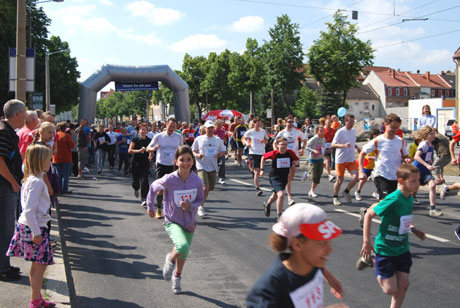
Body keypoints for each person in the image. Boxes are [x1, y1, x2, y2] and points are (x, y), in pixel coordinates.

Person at [247, 203, 347, 308]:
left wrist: (328, 275)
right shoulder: (270, 290)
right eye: (322, 243)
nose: (330, 249)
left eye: (329, 241)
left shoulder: (311, 263)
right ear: (298, 245)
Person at [360, 164, 426, 308]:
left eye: (418, 180)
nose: (418, 184)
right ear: (401, 182)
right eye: (413, 181)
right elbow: (369, 215)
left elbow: (402, 220)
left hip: (402, 249)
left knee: (404, 284)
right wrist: (366, 241)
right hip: (385, 249)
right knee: (390, 289)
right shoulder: (394, 199)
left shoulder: (408, 198)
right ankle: (373, 261)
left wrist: (415, 230)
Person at [146, 146, 204, 294]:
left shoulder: (196, 181)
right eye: (182, 160)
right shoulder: (170, 179)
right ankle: (170, 260)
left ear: (192, 161)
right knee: (182, 246)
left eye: (188, 160)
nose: (185, 163)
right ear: (176, 162)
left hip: (190, 222)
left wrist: (190, 206)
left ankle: (177, 277)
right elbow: (153, 187)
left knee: (183, 252)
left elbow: (200, 201)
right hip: (173, 220)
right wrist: (150, 206)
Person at [6, 144, 56, 308]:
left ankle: (37, 298)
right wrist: (36, 232)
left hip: (33, 225)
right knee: (39, 267)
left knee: (37, 266)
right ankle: (35, 301)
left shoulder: (32, 179)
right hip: (34, 227)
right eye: (49, 159)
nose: (50, 162)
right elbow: (28, 210)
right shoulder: (36, 182)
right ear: (41, 161)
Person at [358, 114, 410, 226]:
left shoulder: (400, 141)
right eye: (392, 127)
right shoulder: (378, 140)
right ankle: (385, 229)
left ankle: (366, 212)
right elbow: (362, 153)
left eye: (397, 128)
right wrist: (361, 171)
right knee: (385, 202)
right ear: (386, 125)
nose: (394, 130)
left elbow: (405, 156)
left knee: (387, 203)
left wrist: (407, 160)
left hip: (395, 177)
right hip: (381, 175)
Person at [0, 99, 25, 281]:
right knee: (5, 228)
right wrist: (13, 182)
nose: (25, 116)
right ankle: (2, 267)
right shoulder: (3, 133)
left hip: (6, 185)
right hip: (4, 186)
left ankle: (4, 264)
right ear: (18, 114)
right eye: (24, 113)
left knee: (6, 228)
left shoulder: (7, 131)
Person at [147, 118, 184, 218]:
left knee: (174, 188)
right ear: (166, 124)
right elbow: (148, 148)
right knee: (161, 189)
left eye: (174, 126)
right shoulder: (159, 136)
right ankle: (159, 209)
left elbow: (182, 149)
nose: (172, 128)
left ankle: (172, 210)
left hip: (173, 165)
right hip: (161, 164)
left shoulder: (179, 136)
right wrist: (153, 149)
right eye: (170, 125)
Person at [192, 120, 226, 217]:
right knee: (205, 187)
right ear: (205, 129)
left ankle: (199, 199)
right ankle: (200, 206)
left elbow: (224, 150)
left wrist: (220, 154)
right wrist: (197, 155)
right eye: (208, 128)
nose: (210, 130)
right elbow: (193, 150)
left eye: (212, 128)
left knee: (209, 189)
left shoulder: (217, 140)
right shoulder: (199, 139)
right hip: (201, 165)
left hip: (212, 166)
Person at [260, 137, 299, 219]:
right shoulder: (274, 153)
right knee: (281, 195)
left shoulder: (290, 153)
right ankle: (279, 216)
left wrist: (295, 163)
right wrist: (262, 170)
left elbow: (296, 161)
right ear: (277, 145)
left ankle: (267, 204)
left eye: (286, 144)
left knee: (275, 195)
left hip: (284, 177)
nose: (284, 146)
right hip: (275, 177)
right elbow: (263, 157)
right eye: (282, 145)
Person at [411, 126, 443, 216]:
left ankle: (432, 209)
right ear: (426, 135)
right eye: (431, 134)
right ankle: (409, 199)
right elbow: (416, 157)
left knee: (432, 185)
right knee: (413, 187)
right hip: (417, 169)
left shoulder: (431, 146)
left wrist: (431, 163)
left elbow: (427, 158)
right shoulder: (423, 144)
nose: (434, 136)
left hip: (425, 170)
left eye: (434, 134)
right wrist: (427, 165)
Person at [276, 116, 307, 206]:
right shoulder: (282, 132)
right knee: (288, 177)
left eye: (292, 122)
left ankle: (284, 185)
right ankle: (290, 197)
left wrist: (302, 149)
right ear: (285, 122)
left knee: (291, 176)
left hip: (295, 156)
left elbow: (304, 140)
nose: (291, 123)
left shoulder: (297, 131)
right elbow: (275, 143)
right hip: (285, 156)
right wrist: (277, 152)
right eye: (289, 122)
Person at [331, 114, 361, 206]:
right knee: (340, 180)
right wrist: (343, 146)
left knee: (355, 177)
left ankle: (346, 191)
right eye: (350, 121)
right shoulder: (340, 132)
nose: (351, 123)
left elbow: (352, 142)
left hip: (351, 158)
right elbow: (333, 144)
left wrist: (357, 147)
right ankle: (335, 197)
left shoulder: (354, 131)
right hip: (341, 159)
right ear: (345, 121)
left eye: (353, 121)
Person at [128, 123, 152, 207]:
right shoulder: (135, 139)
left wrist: (151, 155)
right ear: (139, 131)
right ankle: (136, 188)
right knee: (136, 181)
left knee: (145, 180)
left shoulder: (149, 140)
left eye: (145, 129)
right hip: (135, 162)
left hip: (145, 162)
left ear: (147, 131)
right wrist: (139, 151)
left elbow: (151, 151)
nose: (143, 131)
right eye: (142, 129)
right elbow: (130, 150)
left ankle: (144, 199)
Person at [244, 118, 269, 196]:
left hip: (261, 153)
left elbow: (267, 141)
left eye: (260, 124)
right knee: (257, 171)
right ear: (254, 124)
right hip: (253, 152)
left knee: (258, 171)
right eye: (257, 123)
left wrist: (264, 141)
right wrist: (246, 143)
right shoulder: (250, 132)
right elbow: (243, 138)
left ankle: (250, 165)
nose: (259, 125)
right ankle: (258, 188)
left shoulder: (263, 131)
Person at [355, 129, 380, 202]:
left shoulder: (379, 144)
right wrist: (377, 157)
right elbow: (368, 156)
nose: (378, 136)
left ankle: (376, 192)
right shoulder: (371, 144)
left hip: (375, 166)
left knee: (378, 179)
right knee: (364, 179)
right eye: (377, 135)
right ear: (373, 135)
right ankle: (358, 192)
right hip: (367, 164)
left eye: (379, 134)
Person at [53, 122, 75, 194]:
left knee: (58, 173)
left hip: (56, 157)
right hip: (66, 157)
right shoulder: (67, 136)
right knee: (65, 174)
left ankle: (58, 189)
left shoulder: (55, 135)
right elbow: (72, 145)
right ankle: (64, 189)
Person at [305, 126, 326, 198]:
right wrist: (313, 151)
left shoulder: (323, 139)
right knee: (314, 177)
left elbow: (323, 148)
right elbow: (306, 146)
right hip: (313, 159)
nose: (322, 132)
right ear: (317, 131)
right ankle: (308, 174)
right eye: (321, 131)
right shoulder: (314, 139)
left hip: (320, 159)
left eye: (323, 131)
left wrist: (325, 155)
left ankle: (311, 190)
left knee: (318, 177)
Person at [214, 120, 227, 185]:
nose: (219, 127)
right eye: (218, 126)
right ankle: (212, 177)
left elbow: (222, 139)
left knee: (222, 163)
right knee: (214, 164)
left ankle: (221, 177)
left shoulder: (222, 131)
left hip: (221, 149)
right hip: (213, 150)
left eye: (220, 126)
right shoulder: (213, 131)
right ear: (215, 125)